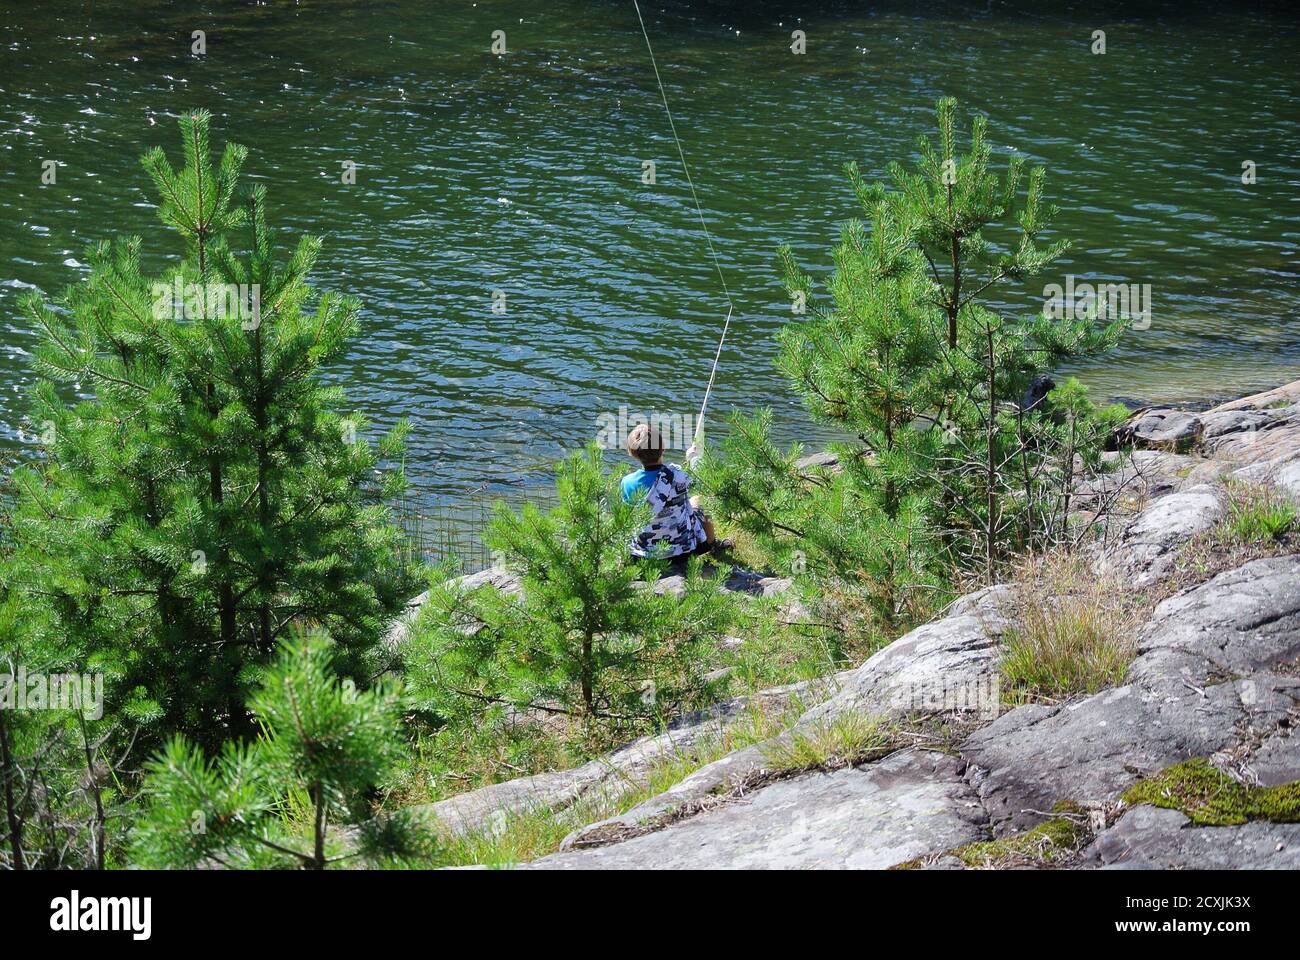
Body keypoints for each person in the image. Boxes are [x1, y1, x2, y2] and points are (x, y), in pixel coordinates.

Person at [619, 423, 723, 559]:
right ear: (663, 448)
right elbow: (702, 484)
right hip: (683, 551)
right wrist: (691, 459)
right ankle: (710, 544)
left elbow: (628, 519)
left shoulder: (627, 482)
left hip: (643, 554)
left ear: (632, 453)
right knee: (698, 499)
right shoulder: (679, 475)